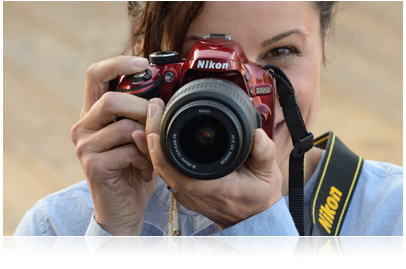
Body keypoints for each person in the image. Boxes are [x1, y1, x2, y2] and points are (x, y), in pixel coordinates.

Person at [14, 1, 402, 236]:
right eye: (207, 65)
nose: (247, 99)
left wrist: (258, 226)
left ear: (324, 40)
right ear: (145, 59)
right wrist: (115, 237)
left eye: (281, 52)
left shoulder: (390, 217)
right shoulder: (59, 229)